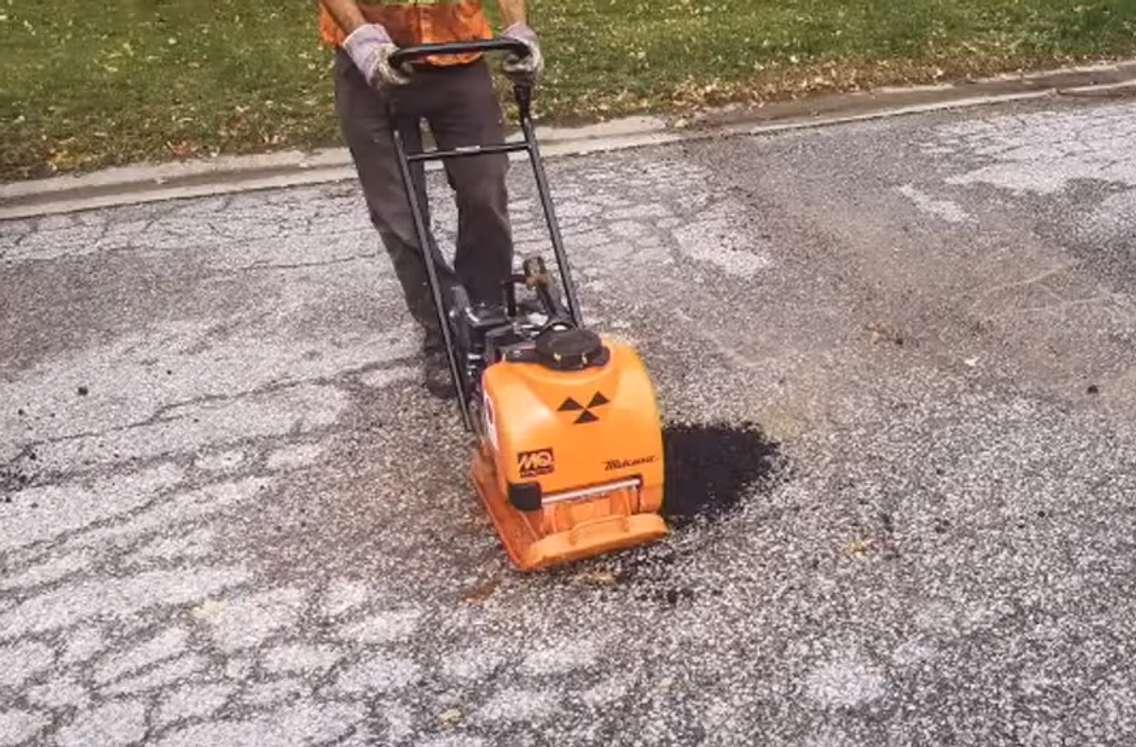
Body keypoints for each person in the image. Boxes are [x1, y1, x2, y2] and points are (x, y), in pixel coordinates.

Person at [319, 0, 543, 398]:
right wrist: (361, 39)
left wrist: (519, 31)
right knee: (398, 210)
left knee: (485, 187)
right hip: (369, 63)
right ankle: (442, 328)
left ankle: (486, 308)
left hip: (458, 54)